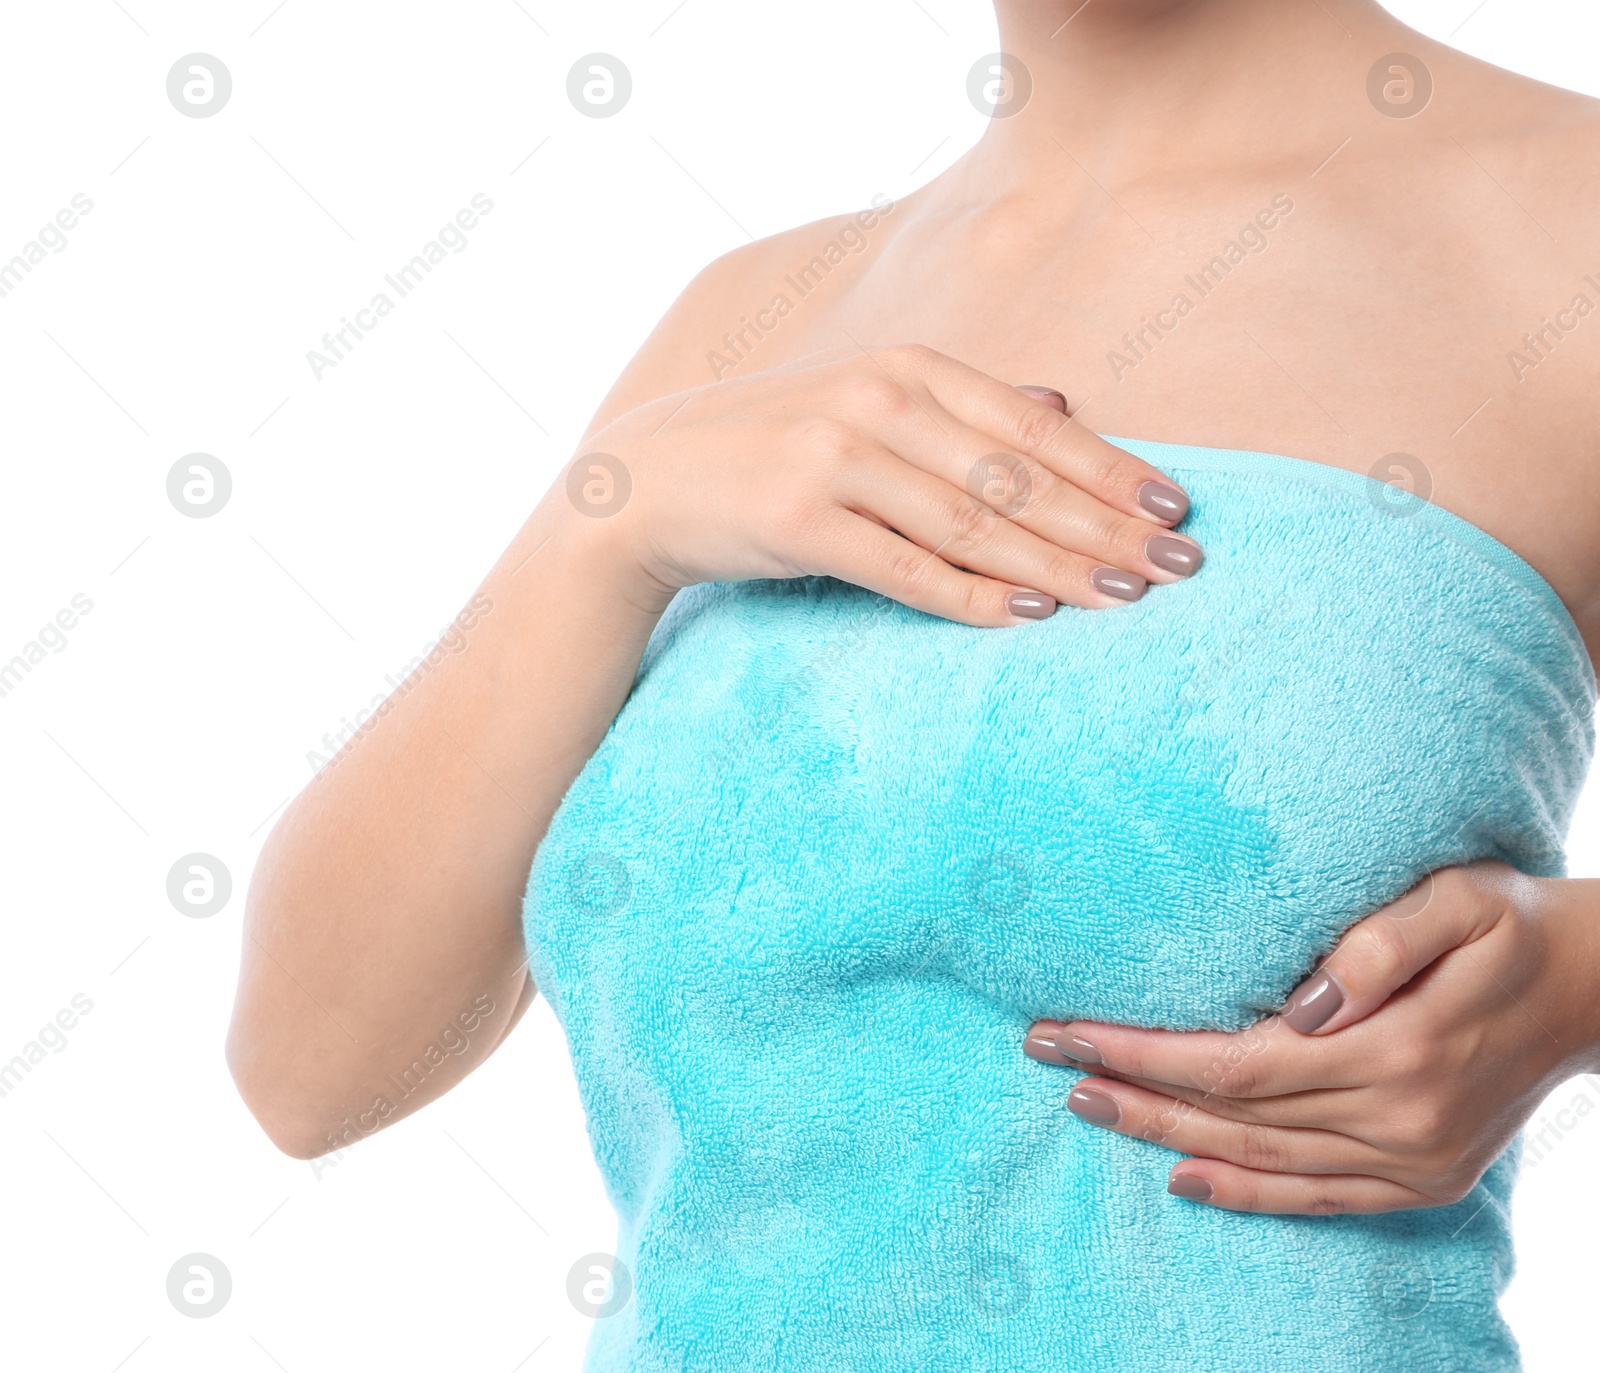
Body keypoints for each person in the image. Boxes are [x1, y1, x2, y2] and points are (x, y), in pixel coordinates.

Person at [227, 2, 1600, 1367]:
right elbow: (312, 1068)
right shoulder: (752, 317)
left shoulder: (1565, 229)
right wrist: (607, 523)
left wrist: (1579, 978)